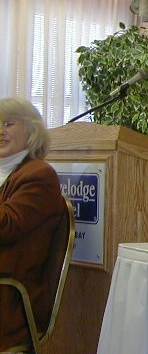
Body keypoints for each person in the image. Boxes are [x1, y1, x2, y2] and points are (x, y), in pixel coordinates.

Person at [0, 98, 66, 351]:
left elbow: (7, 226)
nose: (0, 131)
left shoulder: (39, 175)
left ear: (32, 131)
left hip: (10, 304)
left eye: (9, 123)